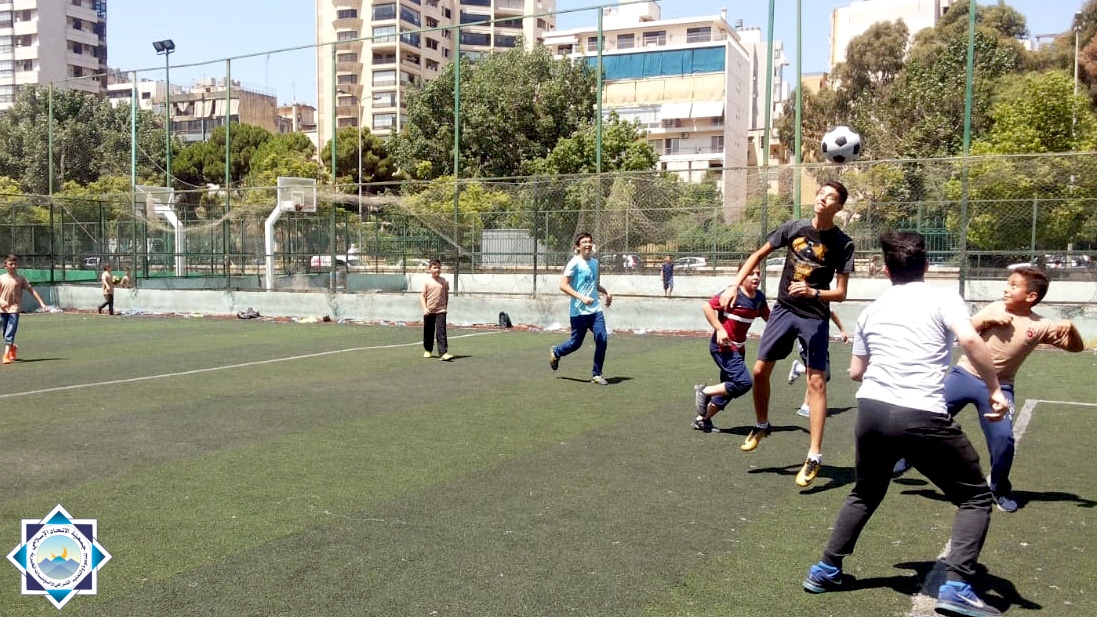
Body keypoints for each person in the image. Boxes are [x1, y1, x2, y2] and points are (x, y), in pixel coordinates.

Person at [802, 231, 1009, 617]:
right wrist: (995, 389)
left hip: (872, 411)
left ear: (886, 270)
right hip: (921, 412)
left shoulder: (872, 310)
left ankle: (826, 569)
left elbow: (856, 372)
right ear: (926, 265)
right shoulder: (943, 298)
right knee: (975, 498)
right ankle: (958, 585)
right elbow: (970, 339)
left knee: (865, 492)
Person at [893, 266, 1085, 513]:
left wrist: (1071, 327)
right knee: (925, 417)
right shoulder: (995, 308)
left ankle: (999, 488)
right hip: (964, 375)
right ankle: (908, 455)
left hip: (1000, 388)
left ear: (1031, 296)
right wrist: (986, 320)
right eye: (1007, 283)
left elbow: (1076, 347)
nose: (1006, 289)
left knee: (1003, 440)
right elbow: (964, 332)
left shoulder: (1041, 325)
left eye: (1014, 285)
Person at [719, 180, 855, 487]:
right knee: (759, 371)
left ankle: (814, 455)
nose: (823, 198)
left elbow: (841, 293)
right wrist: (733, 285)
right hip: (783, 310)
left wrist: (812, 291)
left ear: (838, 207)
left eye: (831, 197)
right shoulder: (794, 228)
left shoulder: (843, 243)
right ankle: (761, 425)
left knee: (816, 382)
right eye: (821, 193)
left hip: (814, 316)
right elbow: (757, 255)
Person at [692, 263, 769, 432]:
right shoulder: (732, 294)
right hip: (723, 347)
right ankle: (704, 391)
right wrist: (720, 329)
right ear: (741, 275)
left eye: (758, 273)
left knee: (728, 389)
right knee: (743, 382)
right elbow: (707, 306)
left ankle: (702, 420)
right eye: (751, 273)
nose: (756, 277)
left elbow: (768, 318)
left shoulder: (759, 298)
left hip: (739, 349)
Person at [549, 232, 613, 385]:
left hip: (595, 310)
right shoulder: (574, 263)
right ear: (577, 247)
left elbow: (592, 284)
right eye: (584, 242)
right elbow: (563, 285)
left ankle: (597, 375)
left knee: (602, 339)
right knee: (575, 343)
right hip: (578, 312)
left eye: (589, 242)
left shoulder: (594, 263)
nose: (588, 244)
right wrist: (581, 298)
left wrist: (606, 292)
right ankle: (556, 352)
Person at [787, 311, 849, 417]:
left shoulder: (822, 306)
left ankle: (799, 368)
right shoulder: (803, 309)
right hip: (808, 346)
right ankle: (806, 406)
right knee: (818, 374)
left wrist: (842, 330)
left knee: (823, 375)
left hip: (821, 346)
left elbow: (832, 313)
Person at [1, 254, 48, 365]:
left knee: (10, 331)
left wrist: (41, 303)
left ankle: (6, 355)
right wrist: (1, 301)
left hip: (15, 309)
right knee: (5, 331)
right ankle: (12, 347)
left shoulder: (21, 279)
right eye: (11, 264)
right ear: (5, 265)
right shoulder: (1, 278)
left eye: (15, 264)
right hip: (2, 310)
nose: (13, 266)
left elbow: (32, 290)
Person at [421, 258, 453, 361]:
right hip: (429, 311)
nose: (437, 270)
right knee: (428, 331)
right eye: (435, 268)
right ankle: (428, 350)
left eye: (439, 268)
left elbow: (446, 294)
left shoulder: (444, 281)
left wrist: (445, 307)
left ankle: (443, 353)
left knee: (441, 332)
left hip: (441, 310)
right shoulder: (427, 282)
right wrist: (425, 308)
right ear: (430, 268)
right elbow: (422, 296)